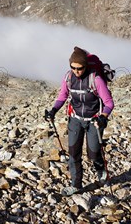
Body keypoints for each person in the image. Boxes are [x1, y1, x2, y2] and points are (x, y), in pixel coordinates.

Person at [44, 46, 114, 195]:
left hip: (94, 120)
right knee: (74, 153)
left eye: (80, 68)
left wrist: (103, 117)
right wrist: (53, 110)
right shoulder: (69, 77)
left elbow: (109, 103)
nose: (76, 71)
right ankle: (76, 185)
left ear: (85, 66)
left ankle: (101, 170)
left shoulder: (96, 79)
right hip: (75, 119)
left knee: (93, 153)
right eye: (73, 68)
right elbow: (62, 96)